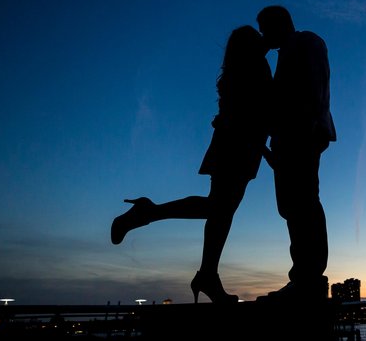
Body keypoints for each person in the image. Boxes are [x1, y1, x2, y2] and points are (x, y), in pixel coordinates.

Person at [110, 25, 271, 304]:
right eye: (257, 38)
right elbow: (253, 111)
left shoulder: (243, 66)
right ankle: (149, 213)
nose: (262, 39)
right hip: (238, 144)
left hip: (237, 143)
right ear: (249, 46)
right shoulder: (252, 66)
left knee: (221, 211)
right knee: (220, 208)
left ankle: (208, 273)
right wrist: (264, 149)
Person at [255, 5, 336, 301]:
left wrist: (310, 128)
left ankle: (308, 277)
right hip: (289, 138)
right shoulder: (286, 52)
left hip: (302, 134)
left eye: (265, 28)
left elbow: (316, 87)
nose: (263, 35)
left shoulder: (307, 42)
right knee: (292, 206)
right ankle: (303, 275)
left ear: (279, 25)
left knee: (303, 203)